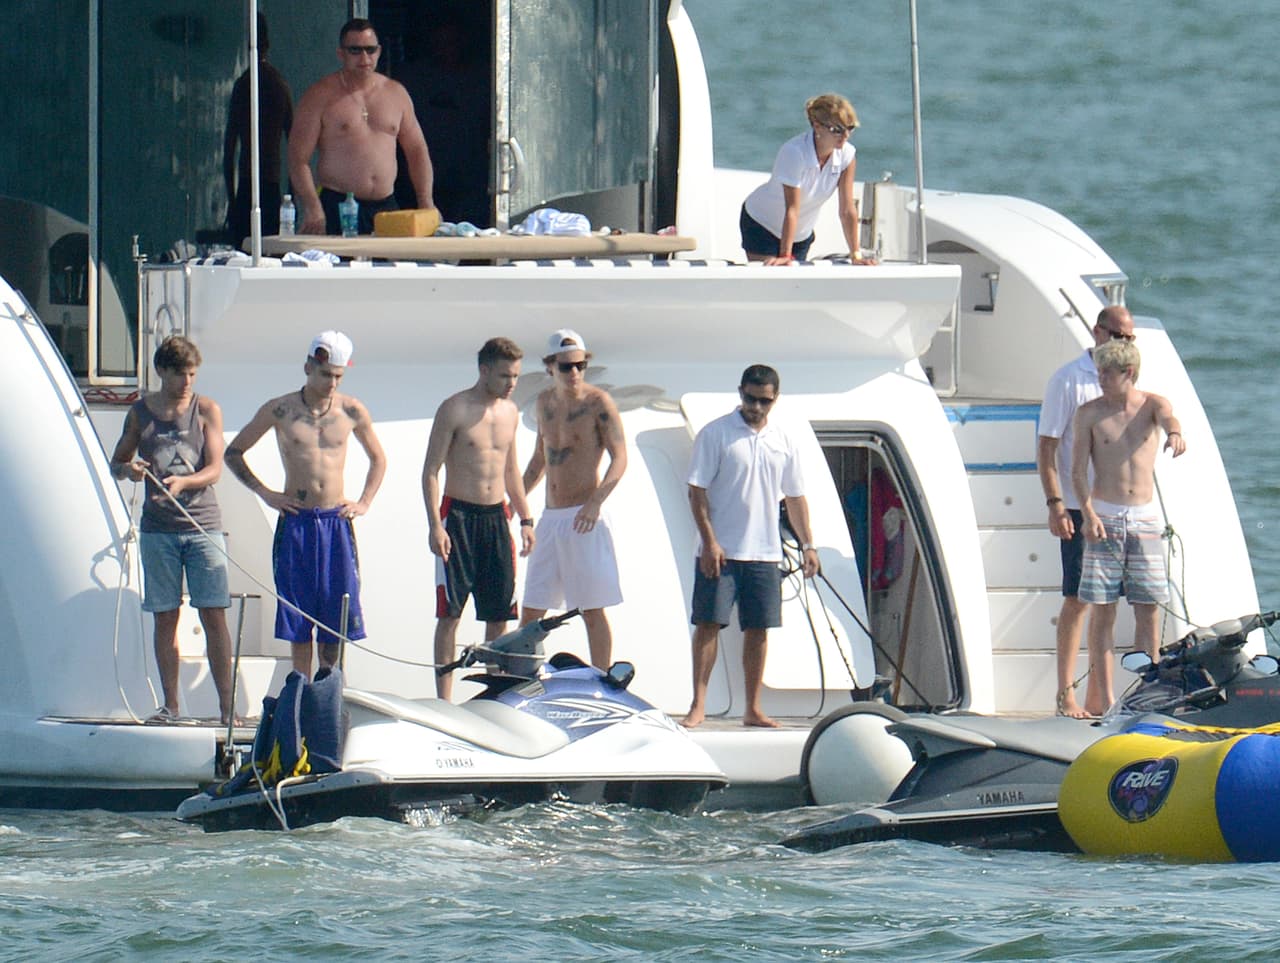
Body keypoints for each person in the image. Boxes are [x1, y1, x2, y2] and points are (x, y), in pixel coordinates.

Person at [225, 331, 386, 677]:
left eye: (338, 376)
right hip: (297, 523)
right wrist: (265, 492)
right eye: (325, 374)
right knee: (298, 618)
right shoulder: (281, 409)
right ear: (308, 367)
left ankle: (330, 694)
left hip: (336, 523)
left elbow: (378, 459)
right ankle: (299, 690)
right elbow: (234, 452)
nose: (331, 383)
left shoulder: (351, 410)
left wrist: (364, 502)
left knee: (337, 616)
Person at [682, 365, 821, 729]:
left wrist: (808, 544)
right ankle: (698, 704)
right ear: (740, 391)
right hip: (720, 550)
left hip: (765, 552)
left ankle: (753, 707)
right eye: (750, 398)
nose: (756, 407)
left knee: (758, 629)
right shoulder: (716, 434)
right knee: (708, 624)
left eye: (764, 401)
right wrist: (710, 541)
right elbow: (696, 491)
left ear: (775, 399)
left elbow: (795, 496)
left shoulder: (783, 439)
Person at [109, 336, 234, 725]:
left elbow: (215, 468)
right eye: (179, 372)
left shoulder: (206, 409)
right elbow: (117, 462)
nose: (187, 380)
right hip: (158, 530)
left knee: (214, 614)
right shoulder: (140, 414)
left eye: (193, 373)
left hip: (202, 526)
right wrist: (130, 470)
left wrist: (186, 482)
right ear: (161, 371)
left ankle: (227, 710)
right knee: (166, 616)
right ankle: (171, 706)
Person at [1071, 338, 1186, 713]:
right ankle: (1104, 699)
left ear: (1128, 374)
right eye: (1099, 371)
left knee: (1147, 606)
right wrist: (1088, 514)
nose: (1101, 378)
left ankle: (1146, 695)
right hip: (1104, 514)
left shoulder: (1150, 405)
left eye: (1108, 372)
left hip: (1144, 516)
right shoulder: (1089, 413)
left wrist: (1174, 433)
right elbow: (1077, 471)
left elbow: (1169, 416)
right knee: (1103, 609)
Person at [422, 338, 536, 700]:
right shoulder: (454, 409)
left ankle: (493, 693)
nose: (511, 383)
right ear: (484, 370)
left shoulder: (511, 412)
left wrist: (526, 519)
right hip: (458, 516)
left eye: (515, 376)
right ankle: (445, 698)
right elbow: (430, 470)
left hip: (496, 516)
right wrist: (435, 525)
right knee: (450, 613)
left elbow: (512, 469)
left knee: (499, 612)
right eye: (504, 375)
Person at [1038, 304, 1137, 718]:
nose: (1125, 344)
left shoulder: (1130, 378)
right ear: (1098, 333)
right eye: (1118, 336)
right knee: (1077, 597)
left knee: (1109, 602)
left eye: (1130, 338)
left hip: (1117, 505)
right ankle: (1066, 694)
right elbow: (1046, 446)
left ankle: (1101, 695)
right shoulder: (1069, 380)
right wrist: (1055, 503)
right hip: (1079, 506)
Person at [520, 329, 627, 669]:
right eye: (566, 367)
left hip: (584, 517)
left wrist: (595, 502)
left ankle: (602, 679)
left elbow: (620, 457)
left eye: (580, 365)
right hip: (551, 518)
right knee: (532, 608)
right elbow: (541, 459)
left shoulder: (598, 403)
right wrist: (515, 501)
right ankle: (520, 676)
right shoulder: (544, 404)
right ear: (551, 367)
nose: (575, 373)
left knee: (591, 609)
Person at [288, 18, 436, 235]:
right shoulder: (320, 95)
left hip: (385, 207)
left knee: (389, 267)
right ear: (341, 53)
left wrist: (426, 201)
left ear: (379, 51)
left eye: (370, 50)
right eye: (355, 50)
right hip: (337, 204)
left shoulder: (396, 94)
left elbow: (416, 150)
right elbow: (297, 158)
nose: (364, 58)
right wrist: (312, 207)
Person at [740, 93, 869, 266]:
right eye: (837, 130)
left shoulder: (847, 155)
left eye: (850, 128)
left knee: (793, 286)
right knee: (771, 282)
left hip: (801, 234)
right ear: (817, 126)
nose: (845, 136)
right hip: (762, 224)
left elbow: (847, 210)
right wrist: (786, 255)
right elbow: (792, 208)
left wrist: (856, 255)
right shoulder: (794, 152)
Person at [223, 12, 294, 248]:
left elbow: (229, 148)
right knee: (271, 251)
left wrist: (231, 201)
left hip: (247, 184)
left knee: (244, 251)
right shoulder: (278, 85)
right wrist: (292, 198)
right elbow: (294, 144)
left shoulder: (244, 85)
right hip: (270, 185)